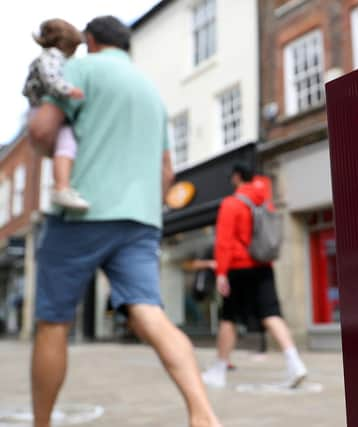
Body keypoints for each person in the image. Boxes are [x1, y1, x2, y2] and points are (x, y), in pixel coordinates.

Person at [28, 16, 222, 427]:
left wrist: (52, 147)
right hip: (141, 218)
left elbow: (43, 130)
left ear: (91, 41)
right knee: (150, 313)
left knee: (53, 323)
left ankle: (42, 423)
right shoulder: (151, 91)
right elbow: (167, 172)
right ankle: (202, 414)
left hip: (82, 211)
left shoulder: (80, 67)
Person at [202, 164, 307, 388]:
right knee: (271, 313)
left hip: (239, 267)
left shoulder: (232, 203)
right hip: (263, 264)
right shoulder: (264, 198)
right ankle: (295, 363)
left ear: (238, 177)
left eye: (232, 176)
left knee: (228, 318)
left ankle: (219, 370)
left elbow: (224, 242)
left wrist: (221, 273)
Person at [23, 19, 89, 210]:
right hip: (42, 109)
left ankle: (63, 186)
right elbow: (51, 78)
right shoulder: (52, 56)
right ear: (65, 43)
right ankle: (61, 187)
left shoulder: (52, 57)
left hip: (40, 109)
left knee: (66, 147)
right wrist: (69, 90)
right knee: (67, 145)